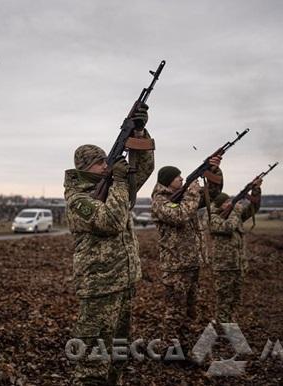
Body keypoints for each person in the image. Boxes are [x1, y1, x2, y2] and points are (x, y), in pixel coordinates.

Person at [64, 103, 154, 386]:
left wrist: (138, 132)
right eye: (100, 163)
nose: (106, 165)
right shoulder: (77, 198)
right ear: (86, 168)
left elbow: (144, 169)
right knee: (92, 363)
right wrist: (116, 179)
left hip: (123, 282)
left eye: (107, 161)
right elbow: (110, 221)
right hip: (99, 287)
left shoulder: (110, 184)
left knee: (118, 354)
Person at [150, 158, 223, 348]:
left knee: (189, 310)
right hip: (175, 266)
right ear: (168, 181)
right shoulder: (160, 201)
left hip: (190, 263)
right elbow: (180, 216)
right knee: (174, 311)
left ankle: (182, 347)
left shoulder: (183, 198)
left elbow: (213, 194)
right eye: (177, 177)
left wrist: (213, 171)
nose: (182, 179)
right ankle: (168, 350)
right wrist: (192, 192)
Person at [208, 179, 262, 323]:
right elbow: (228, 228)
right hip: (224, 267)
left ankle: (229, 323)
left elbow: (253, 208)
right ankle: (220, 325)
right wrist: (234, 211)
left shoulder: (233, 214)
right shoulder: (212, 218)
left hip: (238, 264)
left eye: (230, 201)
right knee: (224, 299)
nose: (231, 203)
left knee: (236, 298)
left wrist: (255, 190)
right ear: (221, 205)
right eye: (227, 202)